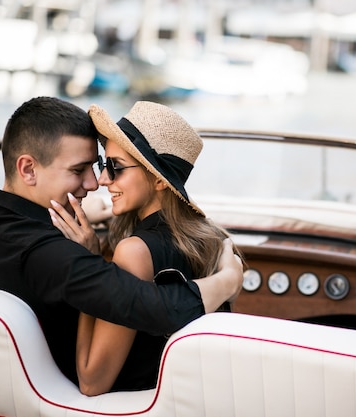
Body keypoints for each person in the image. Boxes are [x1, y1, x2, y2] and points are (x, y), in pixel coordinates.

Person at [0, 96, 243, 386]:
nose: (96, 182)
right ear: (28, 169)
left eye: (101, 166)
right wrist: (228, 280)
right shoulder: (55, 255)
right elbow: (159, 308)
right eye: (78, 170)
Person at [50, 101, 240, 395]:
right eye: (104, 165)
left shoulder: (134, 252)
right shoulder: (211, 240)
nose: (102, 179)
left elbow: (92, 380)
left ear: (159, 180)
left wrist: (89, 265)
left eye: (115, 168)